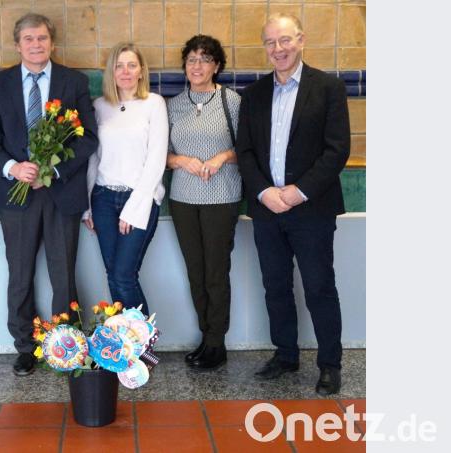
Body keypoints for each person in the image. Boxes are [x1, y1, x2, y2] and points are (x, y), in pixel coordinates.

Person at [236, 13, 350, 395]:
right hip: (267, 208)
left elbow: (337, 151)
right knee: (276, 286)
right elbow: (246, 151)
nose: (278, 49)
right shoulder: (252, 95)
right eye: (270, 43)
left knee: (319, 286)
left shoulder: (329, 88)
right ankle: (285, 355)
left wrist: (297, 192)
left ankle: (330, 364)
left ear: (300, 40)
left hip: (312, 208)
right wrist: (266, 193)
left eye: (284, 40)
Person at [0, 13, 98, 376]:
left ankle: (64, 344)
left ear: (52, 43)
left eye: (42, 38)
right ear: (17, 45)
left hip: (60, 192)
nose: (36, 44)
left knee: (63, 272)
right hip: (15, 196)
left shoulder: (73, 80)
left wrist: (53, 171)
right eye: (29, 39)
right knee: (20, 274)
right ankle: (26, 347)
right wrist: (13, 168)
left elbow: (88, 138)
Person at [166, 35, 242, 370]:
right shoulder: (172, 105)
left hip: (222, 199)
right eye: (192, 59)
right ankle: (204, 336)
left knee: (215, 272)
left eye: (205, 59)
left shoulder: (233, 102)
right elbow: (160, 156)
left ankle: (217, 343)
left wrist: (223, 156)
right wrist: (181, 161)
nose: (197, 66)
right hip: (183, 200)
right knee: (196, 273)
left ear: (217, 66)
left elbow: (249, 149)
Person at [82, 42, 167, 317]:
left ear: (141, 71)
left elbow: (156, 159)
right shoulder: (99, 106)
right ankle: (122, 352)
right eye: (119, 66)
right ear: (111, 72)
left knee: (123, 276)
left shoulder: (154, 104)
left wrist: (133, 209)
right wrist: (88, 206)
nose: (125, 71)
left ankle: (143, 351)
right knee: (113, 275)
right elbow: (93, 159)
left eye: (132, 65)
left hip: (139, 198)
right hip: (103, 199)